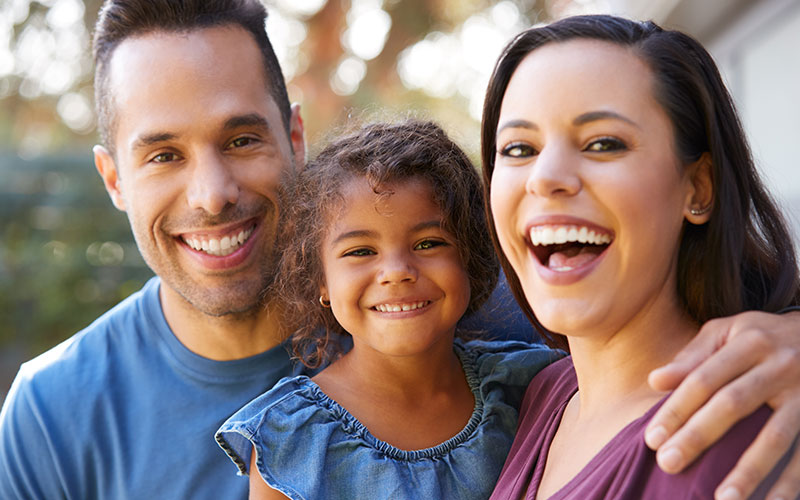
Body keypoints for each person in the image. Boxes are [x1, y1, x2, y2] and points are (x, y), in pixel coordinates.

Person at [0, 0, 797, 498]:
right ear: (111, 176)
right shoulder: (52, 414)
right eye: (161, 154)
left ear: (296, 136)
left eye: (241, 137)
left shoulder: (499, 324)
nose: (211, 192)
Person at [482, 15, 800, 500]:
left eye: (603, 144)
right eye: (519, 148)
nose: (545, 178)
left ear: (699, 187)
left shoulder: (737, 438)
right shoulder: (542, 392)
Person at [215, 119, 561, 499]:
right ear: (321, 281)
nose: (396, 273)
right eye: (360, 251)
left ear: (471, 257)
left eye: (429, 243)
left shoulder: (531, 390)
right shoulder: (288, 439)